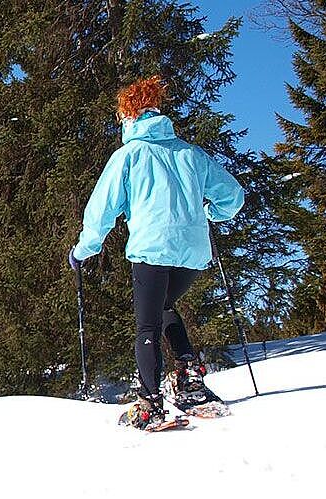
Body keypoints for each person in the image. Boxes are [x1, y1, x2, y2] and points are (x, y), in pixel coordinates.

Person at [69, 76, 244, 428]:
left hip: (151, 250)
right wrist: (209, 215)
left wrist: (82, 250)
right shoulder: (190, 153)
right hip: (193, 254)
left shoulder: (128, 156)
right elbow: (233, 197)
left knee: (147, 325)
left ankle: (149, 403)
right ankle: (189, 378)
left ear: (129, 116)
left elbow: (101, 211)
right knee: (165, 307)